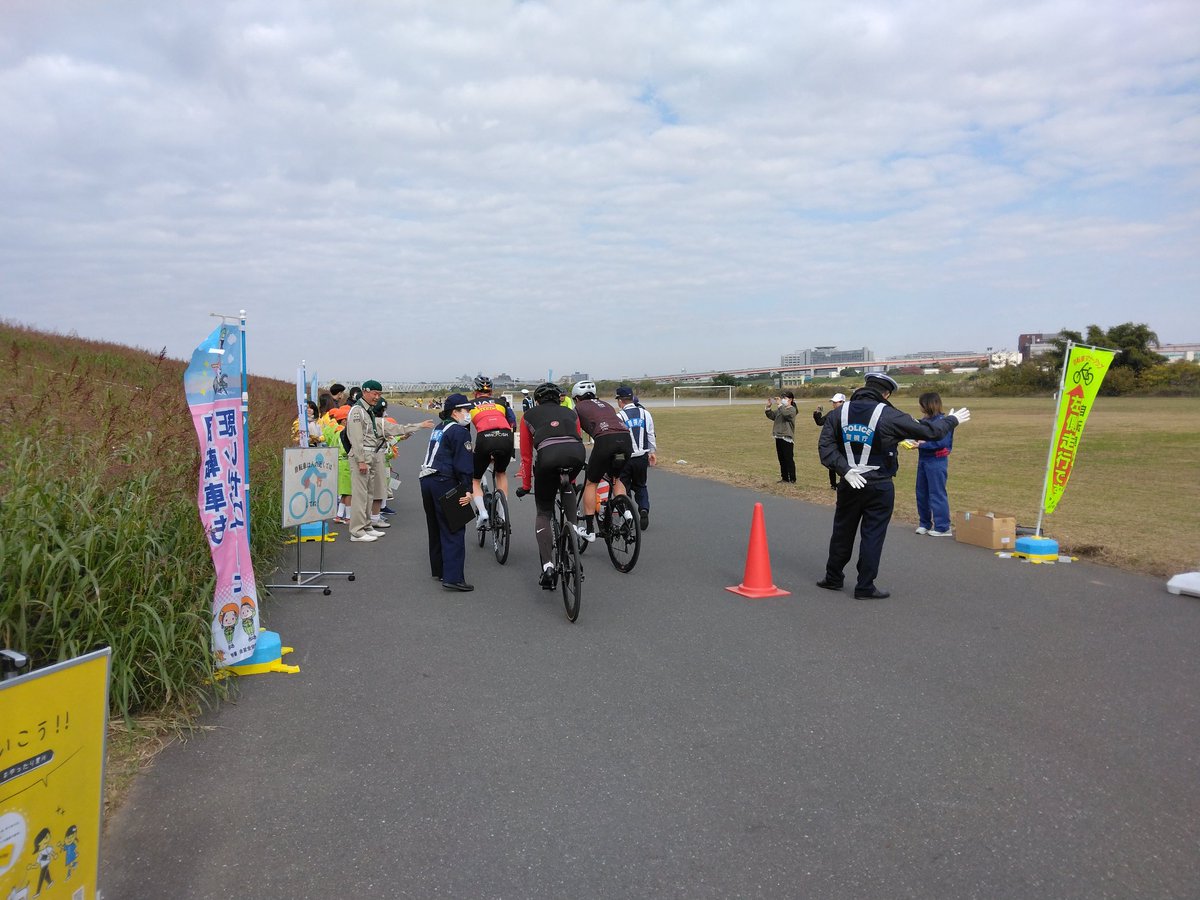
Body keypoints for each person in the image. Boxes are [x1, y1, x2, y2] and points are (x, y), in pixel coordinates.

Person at [817, 373, 970, 599]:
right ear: (886, 394)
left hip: (849, 482)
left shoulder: (839, 412)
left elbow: (826, 447)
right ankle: (864, 586)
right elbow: (931, 432)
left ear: (864, 387)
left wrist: (846, 470)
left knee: (842, 531)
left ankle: (833, 577)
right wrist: (952, 420)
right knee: (873, 535)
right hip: (879, 484)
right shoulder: (890, 414)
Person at [515, 382, 587, 588]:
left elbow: (526, 456)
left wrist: (526, 486)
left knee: (544, 512)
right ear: (559, 399)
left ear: (537, 401)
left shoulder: (528, 416)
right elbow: (577, 438)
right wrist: (570, 482)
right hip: (577, 455)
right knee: (567, 487)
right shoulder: (571, 412)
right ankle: (574, 536)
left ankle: (548, 566)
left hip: (547, 458)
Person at [418, 394, 476, 591]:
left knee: (435, 526)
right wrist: (467, 489)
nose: (468, 414)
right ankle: (453, 577)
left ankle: (440, 569)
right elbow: (464, 463)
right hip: (445, 480)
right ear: (455, 412)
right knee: (454, 528)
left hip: (427, 479)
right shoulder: (460, 432)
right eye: (466, 410)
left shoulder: (439, 427)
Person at [571, 380, 634, 542]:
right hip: (625, 441)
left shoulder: (577, 408)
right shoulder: (606, 404)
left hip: (606, 442)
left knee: (591, 483)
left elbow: (575, 436)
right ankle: (627, 512)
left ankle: (589, 530)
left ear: (576, 398)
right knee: (616, 478)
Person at [467, 375, 517, 528]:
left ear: (475, 392)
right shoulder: (501, 402)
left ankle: (483, 512)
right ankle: (502, 513)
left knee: (475, 479)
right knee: (501, 473)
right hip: (506, 437)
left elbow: (464, 432)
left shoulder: (469, 405)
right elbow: (513, 422)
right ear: (491, 392)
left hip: (485, 438)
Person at [344, 380, 388, 543]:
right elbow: (356, 439)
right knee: (360, 496)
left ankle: (367, 526)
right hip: (361, 458)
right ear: (365, 391)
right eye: (375, 394)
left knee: (368, 494)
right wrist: (361, 460)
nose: (377, 397)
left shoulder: (367, 410)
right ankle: (356, 531)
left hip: (369, 456)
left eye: (379, 394)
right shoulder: (357, 411)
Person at [912, 391, 954, 537]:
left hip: (936, 460)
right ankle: (924, 523)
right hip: (923, 460)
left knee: (937, 493)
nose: (920, 407)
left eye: (922, 404)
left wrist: (921, 445)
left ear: (929, 405)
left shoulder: (943, 422)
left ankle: (943, 526)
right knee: (921, 492)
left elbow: (941, 443)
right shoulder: (925, 421)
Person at [615, 385, 656, 530]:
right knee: (641, 485)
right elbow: (650, 434)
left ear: (620, 401)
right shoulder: (645, 413)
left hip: (626, 458)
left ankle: (627, 514)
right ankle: (643, 509)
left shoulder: (619, 416)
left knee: (623, 486)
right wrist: (652, 452)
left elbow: (617, 439)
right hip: (642, 456)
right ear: (632, 398)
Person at [813, 392, 847, 488]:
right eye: (833, 402)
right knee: (832, 462)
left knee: (845, 462)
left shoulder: (848, 414)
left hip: (845, 442)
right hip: (833, 441)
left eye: (836, 402)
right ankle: (833, 484)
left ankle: (844, 482)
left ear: (843, 402)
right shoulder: (831, 414)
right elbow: (820, 422)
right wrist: (817, 412)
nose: (834, 404)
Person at [765, 391, 798, 483]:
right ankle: (784, 478)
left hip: (786, 437)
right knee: (781, 459)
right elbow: (772, 416)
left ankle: (792, 479)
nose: (783, 400)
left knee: (788, 459)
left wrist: (780, 405)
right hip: (778, 436)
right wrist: (768, 407)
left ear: (790, 399)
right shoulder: (781, 409)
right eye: (782, 398)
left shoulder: (792, 409)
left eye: (785, 398)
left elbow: (786, 415)